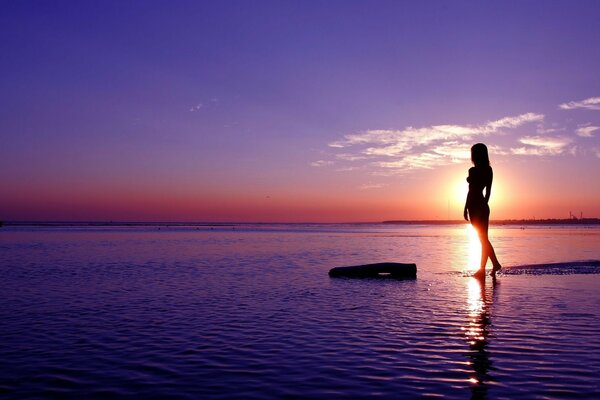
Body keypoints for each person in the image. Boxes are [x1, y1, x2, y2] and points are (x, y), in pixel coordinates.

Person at [464, 143, 502, 278]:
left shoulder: (485, 170)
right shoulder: (473, 170)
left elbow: (488, 191)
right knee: (483, 239)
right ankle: (491, 265)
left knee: (483, 239)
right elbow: (471, 191)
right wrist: (465, 208)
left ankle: (485, 268)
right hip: (474, 207)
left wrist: (482, 207)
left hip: (479, 207)